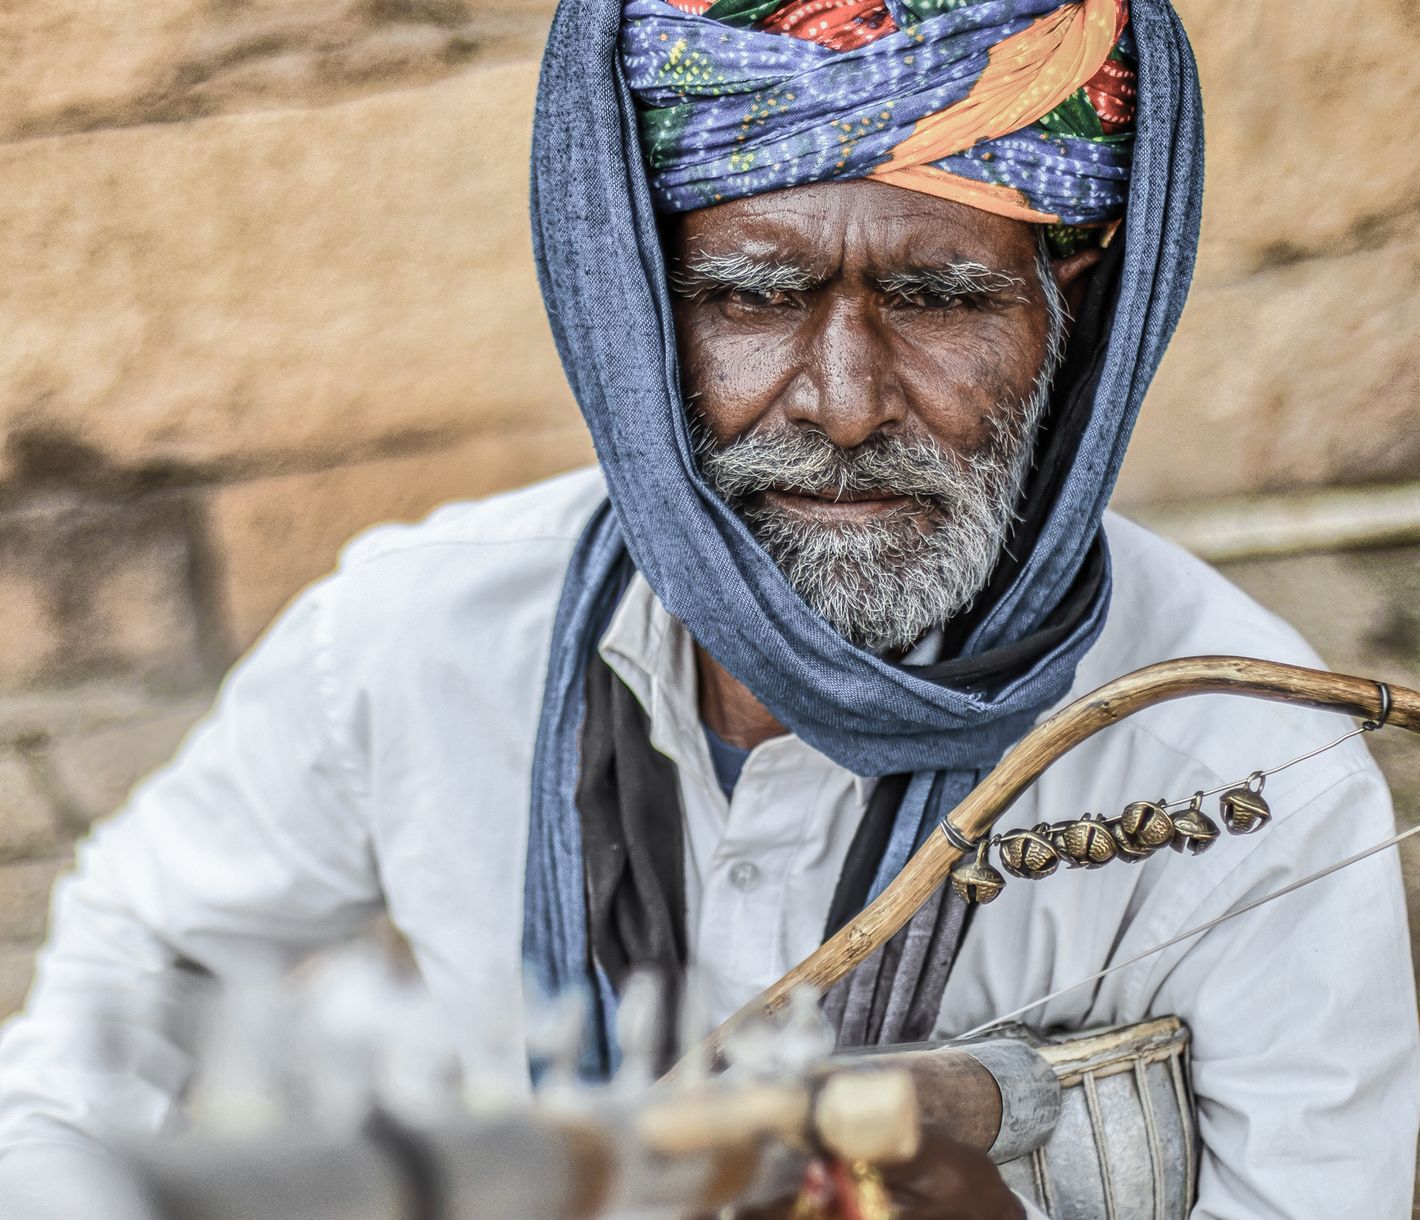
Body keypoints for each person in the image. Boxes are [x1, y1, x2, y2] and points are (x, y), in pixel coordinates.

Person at [0, 0, 1416, 1215]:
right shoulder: (415, 640)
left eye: (938, 301)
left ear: (1074, 310)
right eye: (752, 296)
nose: (847, 406)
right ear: (630, 311)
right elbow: (132, 984)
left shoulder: (1237, 754)